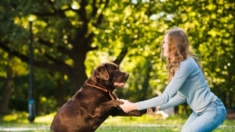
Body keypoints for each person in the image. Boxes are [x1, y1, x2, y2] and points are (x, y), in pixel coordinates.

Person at [119, 27, 226, 132]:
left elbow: (165, 97)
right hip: (198, 112)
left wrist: (133, 106)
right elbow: (182, 96)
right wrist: (158, 107)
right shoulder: (180, 64)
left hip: (213, 110)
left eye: (166, 42)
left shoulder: (186, 65)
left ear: (175, 45)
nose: (163, 45)